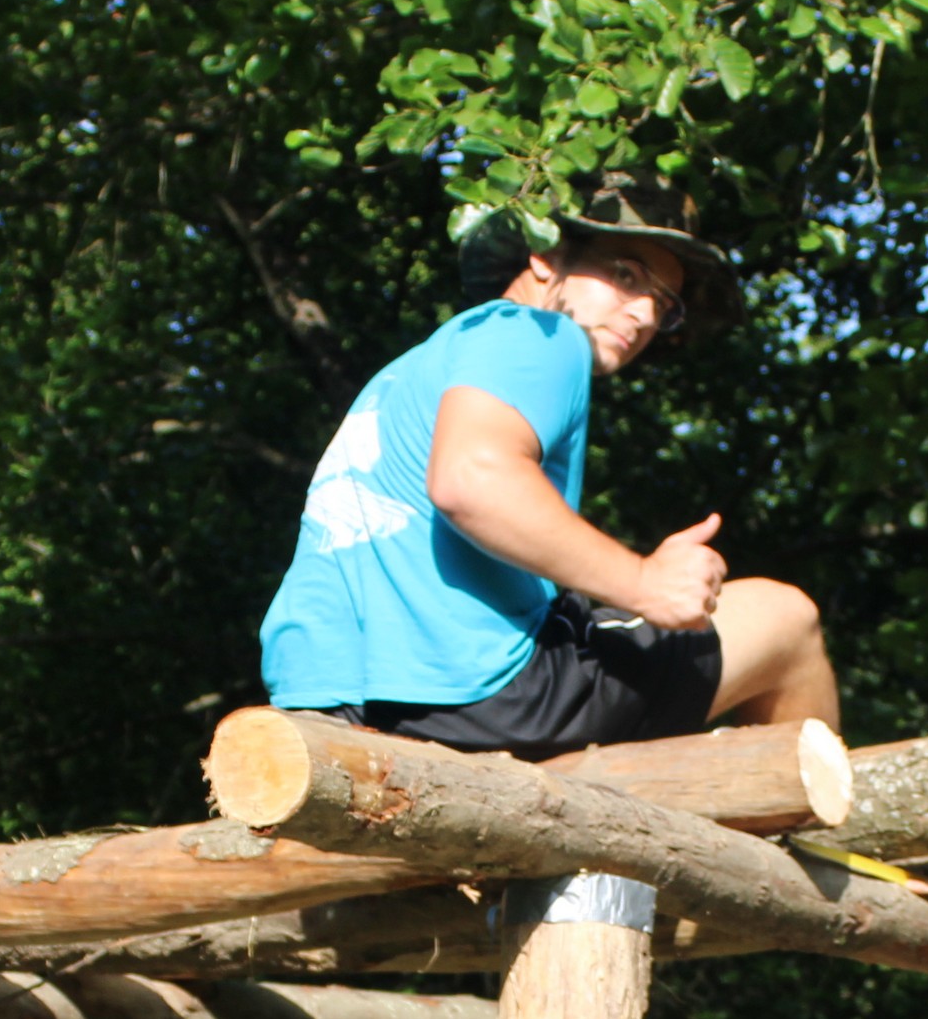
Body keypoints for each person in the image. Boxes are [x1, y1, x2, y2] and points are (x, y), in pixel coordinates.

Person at [254, 178, 838, 752]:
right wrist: (646, 584)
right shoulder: (538, 333)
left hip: (319, 702)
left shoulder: (421, 365)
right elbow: (471, 479)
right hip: (480, 696)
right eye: (626, 275)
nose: (643, 315)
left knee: (586, 626)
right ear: (545, 255)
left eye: (663, 304)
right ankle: (833, 844)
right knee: (786, 619)